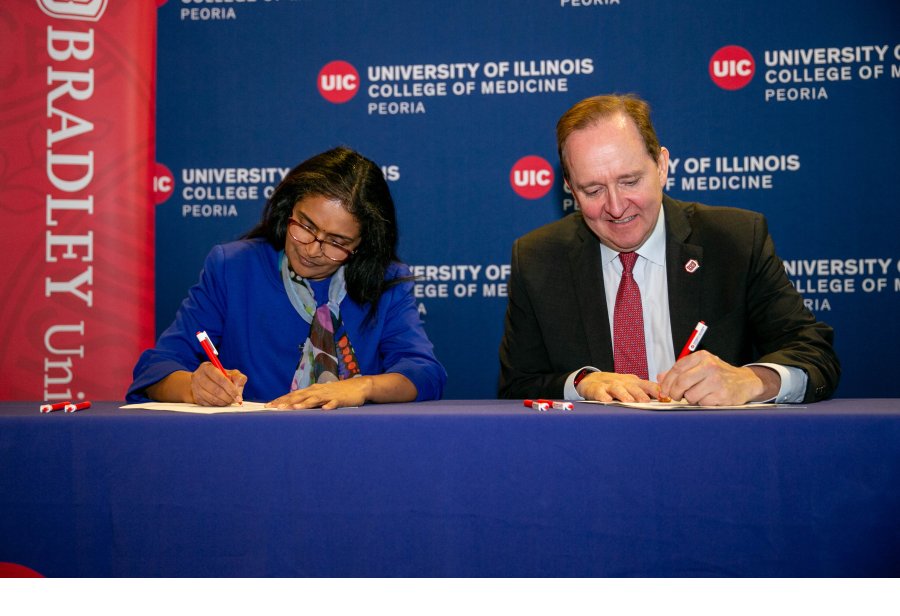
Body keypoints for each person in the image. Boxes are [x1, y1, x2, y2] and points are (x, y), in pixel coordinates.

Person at [498, 94, 840, 406]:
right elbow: (516, 387)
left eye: (630, 181)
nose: (616, 207)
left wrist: (752, 381)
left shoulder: (735, 240)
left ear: (661, 167)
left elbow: (815, 354)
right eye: (593, 190)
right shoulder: (538, 258)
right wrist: (582, 382)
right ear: (570, 189)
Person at [128, 147, 446, 409]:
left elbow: (425, 374)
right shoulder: (233, 268)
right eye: (305, 226)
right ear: (287, 208)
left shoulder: (386, 282)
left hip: (355, 451)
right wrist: (193, 387)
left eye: (336, 242)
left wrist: (361, 388)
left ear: (362, 244)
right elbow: (156, 369)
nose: (311, 248)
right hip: (249, 451)